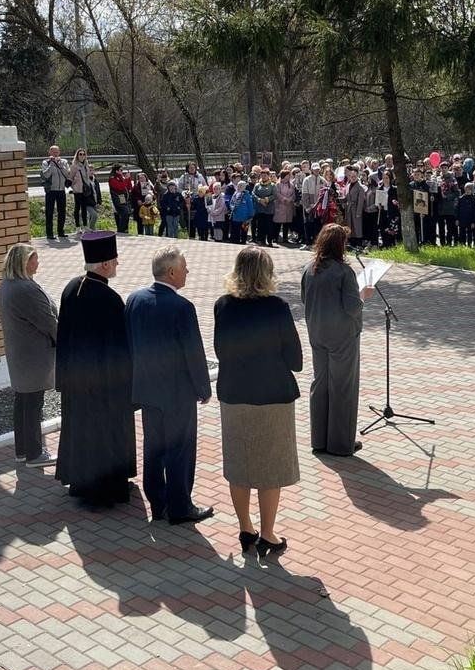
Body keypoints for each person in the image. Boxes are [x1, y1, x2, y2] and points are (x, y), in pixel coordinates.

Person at [213, 246, 302, 560]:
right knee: (270, 467)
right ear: (267, 274)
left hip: (234, 395)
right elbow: (296, 359)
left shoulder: (222, 305)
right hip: (272, 396)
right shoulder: (277, 307)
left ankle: (245, 528)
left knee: (240, 464)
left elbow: (220, 350)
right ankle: (268, 533)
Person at [126, 246, 214, 525]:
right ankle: (180, 507)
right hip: (177, 394)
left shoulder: (134, 299)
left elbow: (128, 346)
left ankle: (158, 503)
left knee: (153, 447)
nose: (188, 272)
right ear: (172, 272)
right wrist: (204, 388)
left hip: (147, 390)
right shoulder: (182, 307)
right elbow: (193, 352)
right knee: (180, 449)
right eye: (185, 267)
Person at [55, 231, 137, 508]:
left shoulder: (70, 288)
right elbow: (121, 349)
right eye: (114, 260)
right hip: (104, 384)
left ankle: (82, 483)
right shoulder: (110, 300)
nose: (117, 264)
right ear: (103, 264)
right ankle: (105, 490)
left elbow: (63, 337)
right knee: (105, 435)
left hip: (76, 381)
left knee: (82, 432)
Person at [300, 224, 374, 458]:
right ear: (338, 245)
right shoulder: (344, 272)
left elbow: (304, 299)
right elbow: (352, 307)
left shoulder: (309, 268)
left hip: (317, 332)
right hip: (342, 336)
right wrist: (365, 295)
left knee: (320, 384)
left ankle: (319, 440)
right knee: (343, 387)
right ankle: (341, 444)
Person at [0, 243, 58, 468]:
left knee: (22, 401)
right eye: (34, 259)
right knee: (33, 403)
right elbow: (48, 321)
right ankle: (34, 454)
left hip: (19, 352)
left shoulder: (6, 286)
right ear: (24, 262)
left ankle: (21, 450)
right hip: (34, 355)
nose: (38, 262)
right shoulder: (26, 289)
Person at [41, 146, 71, 241]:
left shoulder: (64, 162)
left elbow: (68, 174)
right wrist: (52, 165)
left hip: (61, 190)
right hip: (50, 191)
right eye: (53, 152)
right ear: (49, 153)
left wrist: (60, 165)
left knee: (62, 212)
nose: (55, 154)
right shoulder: (46, 162)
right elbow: (46, 174)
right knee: (49, 212)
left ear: (59, 152)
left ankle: (61, 232)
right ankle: (49, 234)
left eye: (56, 152)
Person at [68, 149, 95, 234]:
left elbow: (87, 177)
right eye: (80, 154)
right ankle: (77, 227)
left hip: (85, 190)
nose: (82, 156)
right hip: (78, 190)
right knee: (77, 208)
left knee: (84, 208)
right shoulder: (74, 166)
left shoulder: (86, 165)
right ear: (77, 155)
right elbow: (70, 178)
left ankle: (85, 226)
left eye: (84, 154)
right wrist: (74, 187)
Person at [108, 165, 133, 234]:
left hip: (124, 198)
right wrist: (126, 179)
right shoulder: (112, 179)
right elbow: (120, 187)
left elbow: (128, 187)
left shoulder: (121, 178)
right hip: (117, 199)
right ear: (116, 171)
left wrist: (128, 179)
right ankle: (120, 230)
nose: (122, 172)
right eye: (121, 170)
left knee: (127, 213)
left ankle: (125, 229)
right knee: (124, 213)